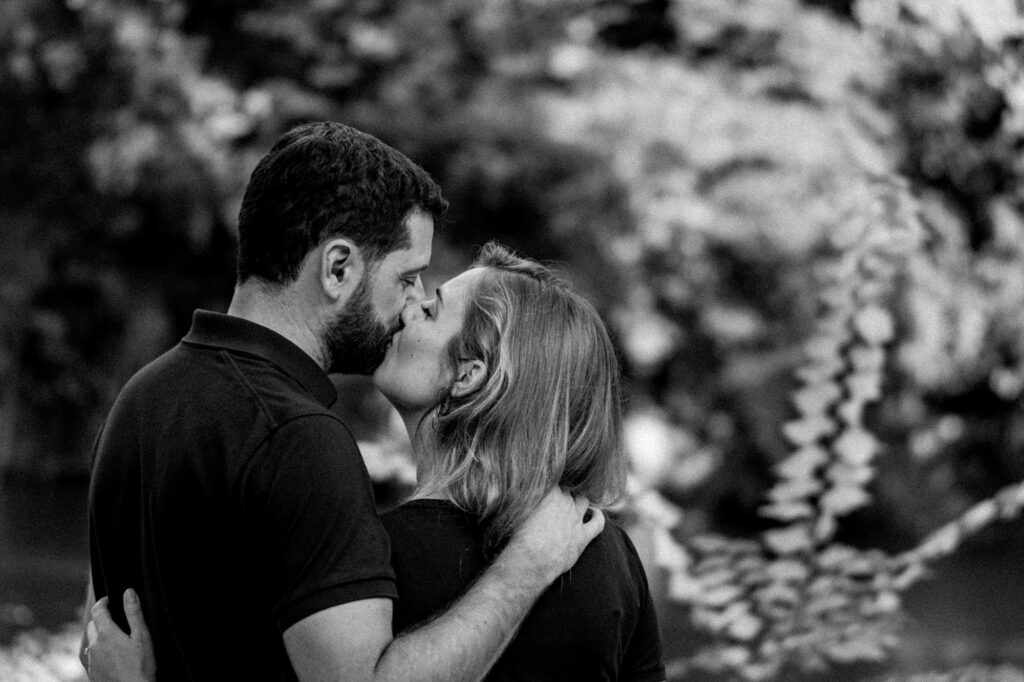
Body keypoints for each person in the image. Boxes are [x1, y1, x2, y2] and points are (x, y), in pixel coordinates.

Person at [84, 122, 604, 681]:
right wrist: (525, 568)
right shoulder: (298, 438)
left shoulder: (142, 397)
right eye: (408, 278)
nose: (410, 306)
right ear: (338, 268)